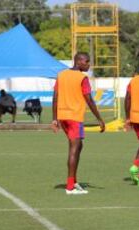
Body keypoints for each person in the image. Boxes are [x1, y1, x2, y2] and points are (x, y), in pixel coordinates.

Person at [52, 52, 105, 195]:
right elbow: (89, 99)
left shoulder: (61, 75)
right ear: (79, 61)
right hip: (74, 117)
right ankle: (70, 186)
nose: (88, 65)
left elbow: (55, 97)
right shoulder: (82, 77)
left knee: (77, 146)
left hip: (63, 117)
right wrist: (99, 118)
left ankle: (73, 181)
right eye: (87, 62)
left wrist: (54, 118)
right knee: (74, 149)